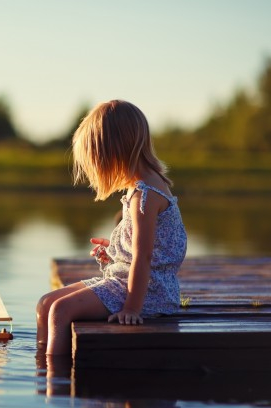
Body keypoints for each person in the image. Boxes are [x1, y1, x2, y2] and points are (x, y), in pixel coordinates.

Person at [37, 100, 187, 355]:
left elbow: (144, 257)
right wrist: (115, 250)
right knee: (45, 304)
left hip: (148, 292)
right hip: (127, 280)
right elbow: (146, 245)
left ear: (114, 152)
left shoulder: (145, 196)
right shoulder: (144, 185)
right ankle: (42, 360)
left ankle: (54, 376)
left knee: (60, 311)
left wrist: (131, 308)